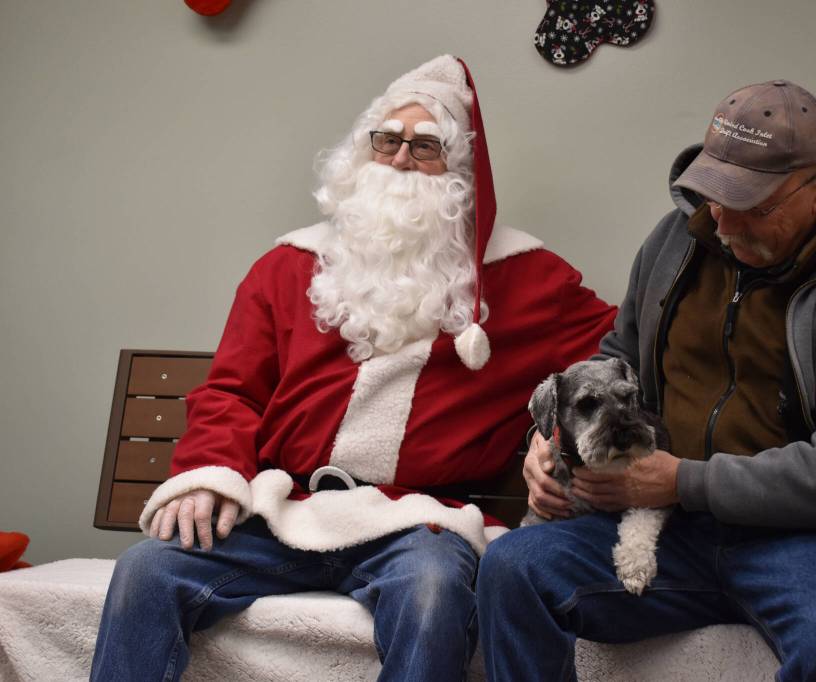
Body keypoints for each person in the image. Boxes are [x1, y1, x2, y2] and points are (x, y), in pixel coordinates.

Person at [90, 55, 616, 682]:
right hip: (281, 510)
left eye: (425, 147)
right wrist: (210, 474)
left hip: (418, 524)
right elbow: (231, 390)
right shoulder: (287, 265)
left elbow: (621, 354)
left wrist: (550, 440)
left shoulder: (528, 278)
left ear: (463, 171)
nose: (398, 160)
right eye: (386, 140)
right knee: (147, 569)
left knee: (432, 590)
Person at [477, 80, 816, 681]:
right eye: (713, 194)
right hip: (660, 528)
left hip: (806, 539)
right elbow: (619, 358)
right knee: (512, 569)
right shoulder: (675, 242)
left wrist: (684, 482)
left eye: (751, 206)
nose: (719, 222)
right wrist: (549, 447)